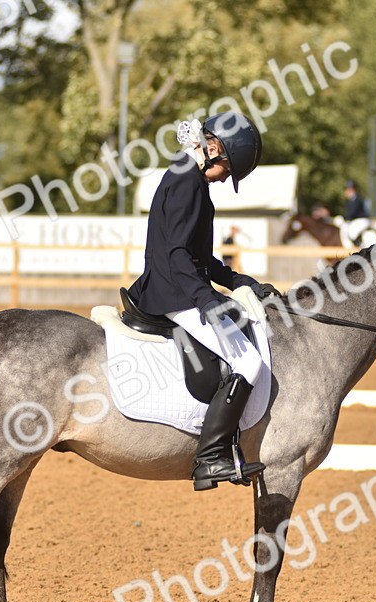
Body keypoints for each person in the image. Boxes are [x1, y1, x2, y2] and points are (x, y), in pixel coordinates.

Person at [127, 112, 281, 491]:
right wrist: (205, 299)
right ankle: (210, 458)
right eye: (228, 168)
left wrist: (240, 281)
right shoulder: (188, 182)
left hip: (178, 285)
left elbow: (201, 258)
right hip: (173, 292)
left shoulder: (188, 176)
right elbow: (178, 255)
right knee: (248, 361)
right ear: (213, 148)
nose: (227, 177)